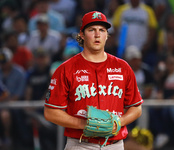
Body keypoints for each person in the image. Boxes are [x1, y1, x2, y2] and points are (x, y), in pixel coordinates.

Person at [44, 11, 143, 150]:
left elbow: (136, 107)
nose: (97, 35)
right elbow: (50, 112)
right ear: (82, 35)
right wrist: (83, 124)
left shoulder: (122, 67)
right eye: (92, 30)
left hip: (114, 145)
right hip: (80, 144)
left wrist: (118, 122)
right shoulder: (66, 69)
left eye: (102, 30)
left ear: (106, 35)